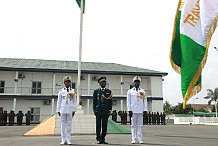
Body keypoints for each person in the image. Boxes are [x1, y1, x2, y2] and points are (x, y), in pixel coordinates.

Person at [127, 76, 147, 144]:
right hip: (133, 110)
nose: (137, 83)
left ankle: (140, 138)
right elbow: (128, 101)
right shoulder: (130, 91)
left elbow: (144, 101)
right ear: (133, 83)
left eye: (138, 82)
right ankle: (134, 138)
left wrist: (145, 110)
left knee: (140, 125)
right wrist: (129, 110)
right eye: (135, 82)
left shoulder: (142, 91)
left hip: (140, 110)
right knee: (133, 125)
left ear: (139, 83)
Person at [56, 76, 77, 145]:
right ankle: (63, 139)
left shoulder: (73, 91)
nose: (67, 83)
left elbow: (74, 101)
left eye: (68, 82)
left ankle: (68, 139)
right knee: (63, 125)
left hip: (70, 109)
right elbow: (59, 101)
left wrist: (74, 110)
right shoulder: (61, 91)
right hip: (63, 109)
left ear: (70, 83)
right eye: (66, 82)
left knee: (69, 125)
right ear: (64, 83)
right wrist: (58, 110)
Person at [93, 76, 112, 144]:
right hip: (98, 111)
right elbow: (94, 101)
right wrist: (94, 109)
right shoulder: (96, 91)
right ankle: (98, 138)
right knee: (98, 125)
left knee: (104, 125)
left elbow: (110, 101)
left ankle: (103, 138)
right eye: (102, 82)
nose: (104, 83)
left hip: (105, 111)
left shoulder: (108, 91)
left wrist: (110, 110)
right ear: (100, 83)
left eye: (104, 82)